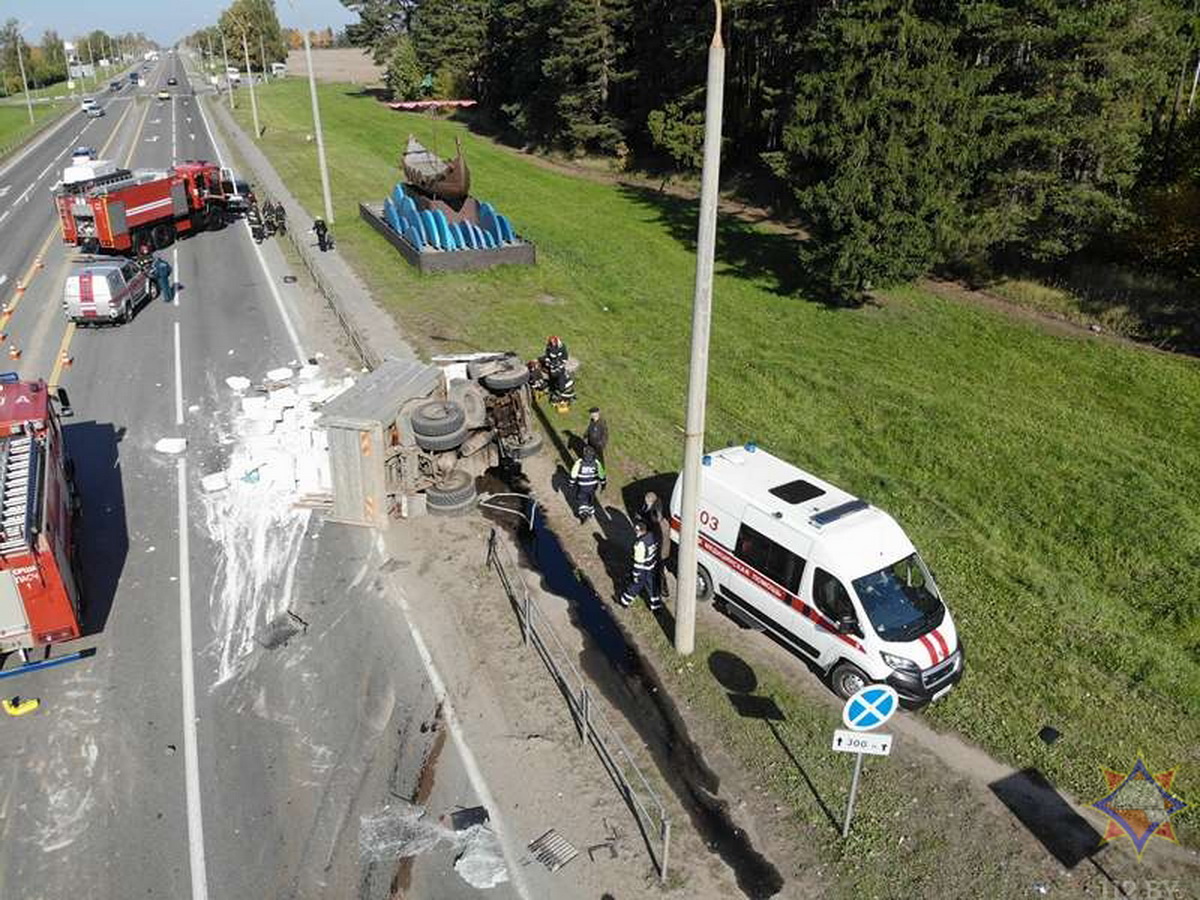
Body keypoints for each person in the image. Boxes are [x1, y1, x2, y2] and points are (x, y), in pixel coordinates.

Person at [619, 519, 662, 611]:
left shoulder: (640, 545)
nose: (636, 533)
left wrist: (635, 574)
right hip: (652, 567)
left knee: (636, 585)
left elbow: (638, 563)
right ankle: (656, 606)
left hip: (643, 569)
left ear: (639, 531)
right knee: (652, 586)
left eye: (636, 531)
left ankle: (624, 601)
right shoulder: (652, 536)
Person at [639, 491, 670, 599]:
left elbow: (654, 536)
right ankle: (662, 588)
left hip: (660, 552)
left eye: (646, 502)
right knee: (660, 570)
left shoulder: (656, 521)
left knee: (659, 572)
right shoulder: (661, 516)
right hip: (664, 550)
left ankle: (663, 590)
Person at [569, 445, 606, 522]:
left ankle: (583, 513)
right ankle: (590, 511)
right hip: (593, 486)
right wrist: (603, 484)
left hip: (582, 485)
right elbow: (601, 474)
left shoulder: (579, 462)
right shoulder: (596, 462)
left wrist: (571, 483)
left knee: (581, 498)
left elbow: (573, 474)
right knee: (591, 498)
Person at [542, 335, 574, 407]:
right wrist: (548, 362)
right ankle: (553, 389)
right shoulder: (549, 347)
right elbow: (547, 355)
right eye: (551, 342)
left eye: (553, 342)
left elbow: (565, 356)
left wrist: (561, 363)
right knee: (552, 377)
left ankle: (561, 391)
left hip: (559, 365)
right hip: (552, 366)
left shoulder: (561, 347)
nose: (552, 343)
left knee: (560, 380)